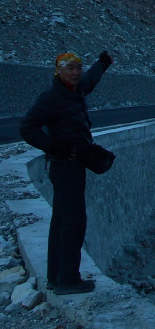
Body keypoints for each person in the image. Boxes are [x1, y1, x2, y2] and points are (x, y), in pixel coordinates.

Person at [20, 50, 113, 295]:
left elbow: (90, 79)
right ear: (58, 71)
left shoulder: (76, 89)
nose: (75, 73)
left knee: (61, 220)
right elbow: (27, 128)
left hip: (73, 164)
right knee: (73, 221)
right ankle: (68, 280)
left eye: (78, 68)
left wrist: (102, 64)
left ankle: (55, 277)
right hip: (64, 165)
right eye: (69, 68)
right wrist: (54, 146)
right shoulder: (51, 97)